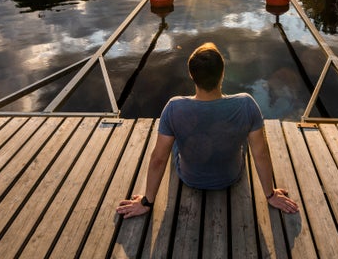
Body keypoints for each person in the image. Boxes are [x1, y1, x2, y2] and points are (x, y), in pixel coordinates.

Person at [116, 42, 299, 218]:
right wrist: (270, 194)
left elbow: (158, 159)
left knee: (172, 140)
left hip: (189, 178)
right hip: (231, 176)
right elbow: (261, 154)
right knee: (245, 131)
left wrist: (146, 202)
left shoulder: (174, 107)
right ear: (222, 74)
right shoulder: (246, 103)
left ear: (191, 75)